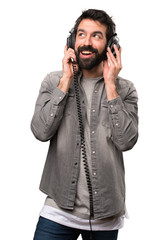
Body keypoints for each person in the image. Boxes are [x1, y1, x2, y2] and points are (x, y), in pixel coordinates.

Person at [31, 9, 138, 240]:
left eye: (96, 36)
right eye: (81, 35)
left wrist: (111, 86)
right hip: (58, 208)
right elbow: (40, 131)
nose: (86, 43)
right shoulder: (54, 81)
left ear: (111, 46)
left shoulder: (125, 89)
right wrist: (66, 81)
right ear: (72, 40)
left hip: (105, 214)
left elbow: (126, 141)